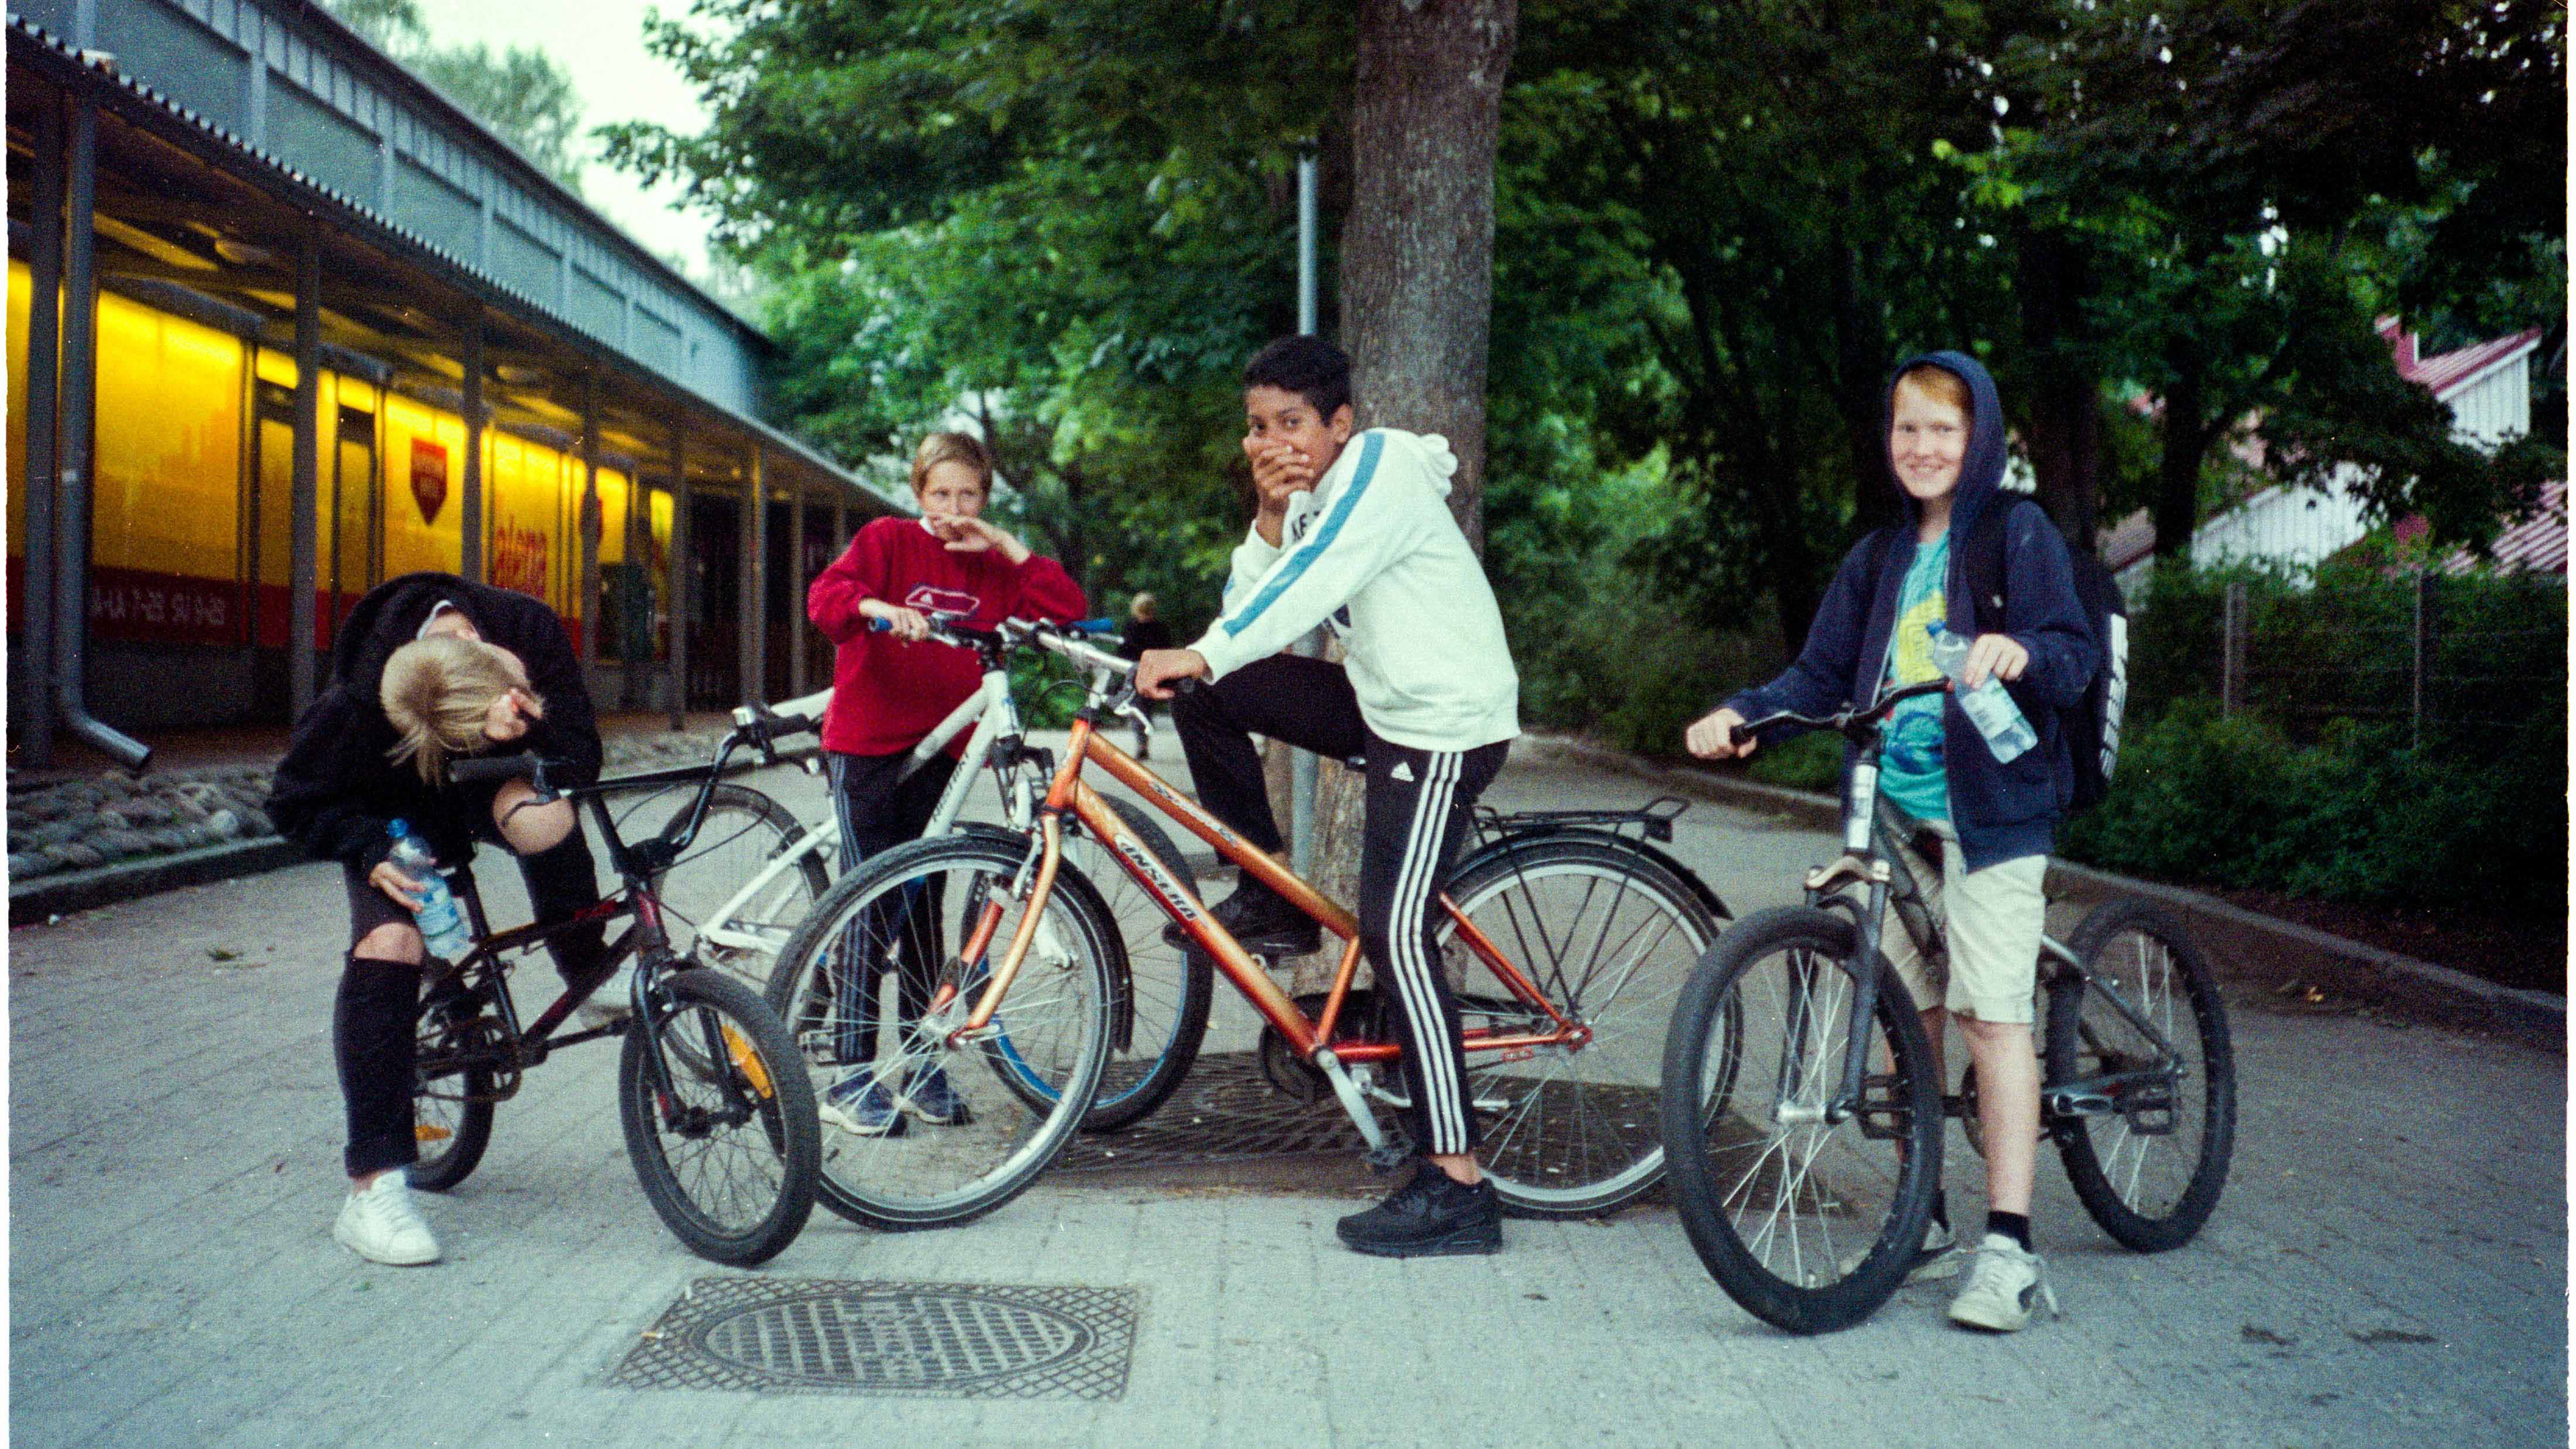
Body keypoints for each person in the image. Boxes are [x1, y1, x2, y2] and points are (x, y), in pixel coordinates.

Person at [1682, 352, 2096, 1332]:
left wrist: (2020, 651)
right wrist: (1744, 712)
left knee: (1993, 1014)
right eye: (1907, 428)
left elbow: (2072, 658)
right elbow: (1818, 678)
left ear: (1980, 438)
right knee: (1910, 1025)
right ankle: (1931, 1223)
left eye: (1944, 430)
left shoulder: (2015, 535)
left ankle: (2011, 1250)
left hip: (1990, 812)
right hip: (1893, 818)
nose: (1922, 447)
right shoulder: (1877, 560)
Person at [1134, 335, 1521, 1258]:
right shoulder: (1310, 504)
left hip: (1445, 725)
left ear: (1341, 423)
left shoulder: (1380, 468)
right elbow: (1250, 605)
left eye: (1293, 423)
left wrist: (1203, 645)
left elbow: (1303, 599)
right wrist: (1269, 520)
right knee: (1214, 691)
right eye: (1259, 428)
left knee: (1394, 931)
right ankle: (1269, 895)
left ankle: (1458, 1183)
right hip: (1384, 710)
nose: (1274, 441)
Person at [269, 573, 611, 1267]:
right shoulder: (359, 694)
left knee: (546, 816)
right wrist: (369, 852)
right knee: (390, 942)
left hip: (484, 786)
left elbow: (583, 758)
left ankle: (584, 968)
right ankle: (374, 1188)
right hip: (390, 817)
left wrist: (532, 725)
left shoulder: (528, 631)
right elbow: (293, 802)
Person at [804, 431, 1087, 1136]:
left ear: (986, 499)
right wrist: (879, 609)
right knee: (869, 898)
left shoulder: (989, 562)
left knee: (926, 905)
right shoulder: (888, 539)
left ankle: (923, 1065)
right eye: (941, 494)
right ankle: (849, 1074)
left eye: (969, 495)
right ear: (918, 493)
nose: (954, 508)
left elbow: (1067, 607)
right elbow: (828, 599)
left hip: (944, 751)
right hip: (869, 744)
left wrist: (1009, 547)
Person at [1112, 592, 1176, 757]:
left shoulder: (1153, 628)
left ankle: (1143, 743)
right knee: (1141, 709)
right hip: (1142, 673)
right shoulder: (1134, 627)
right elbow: (1123, 651)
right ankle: (1142, 744)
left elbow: (1165, 651)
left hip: (1150, 673)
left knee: (1146, 708)